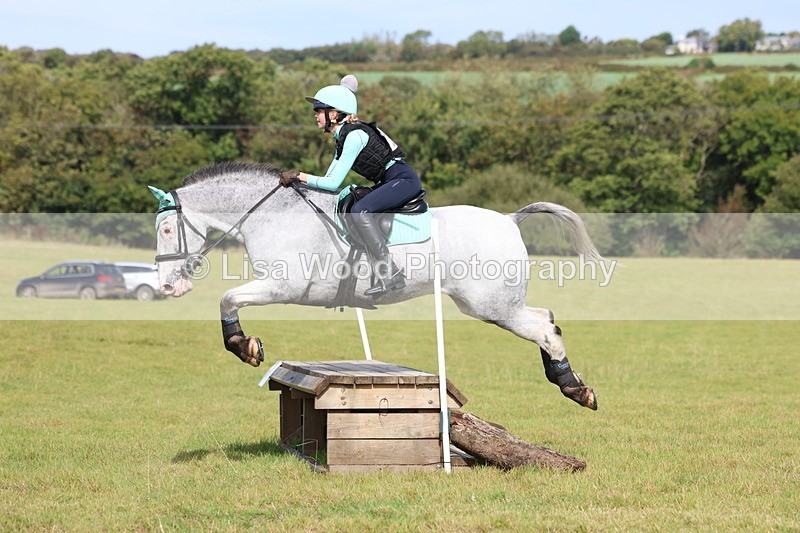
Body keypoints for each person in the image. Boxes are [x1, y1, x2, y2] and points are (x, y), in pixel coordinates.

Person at [279, 75, 422, 297]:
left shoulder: (354, 136)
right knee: (350, 199)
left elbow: (332, 182)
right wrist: (301, 180)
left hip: (402, 180)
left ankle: (390, 274)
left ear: (333, 114)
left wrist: (300, 175)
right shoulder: (343, 138)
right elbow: (329, 181)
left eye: (319, 110)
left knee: (360, 210)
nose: (315, 115)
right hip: (391, 180)